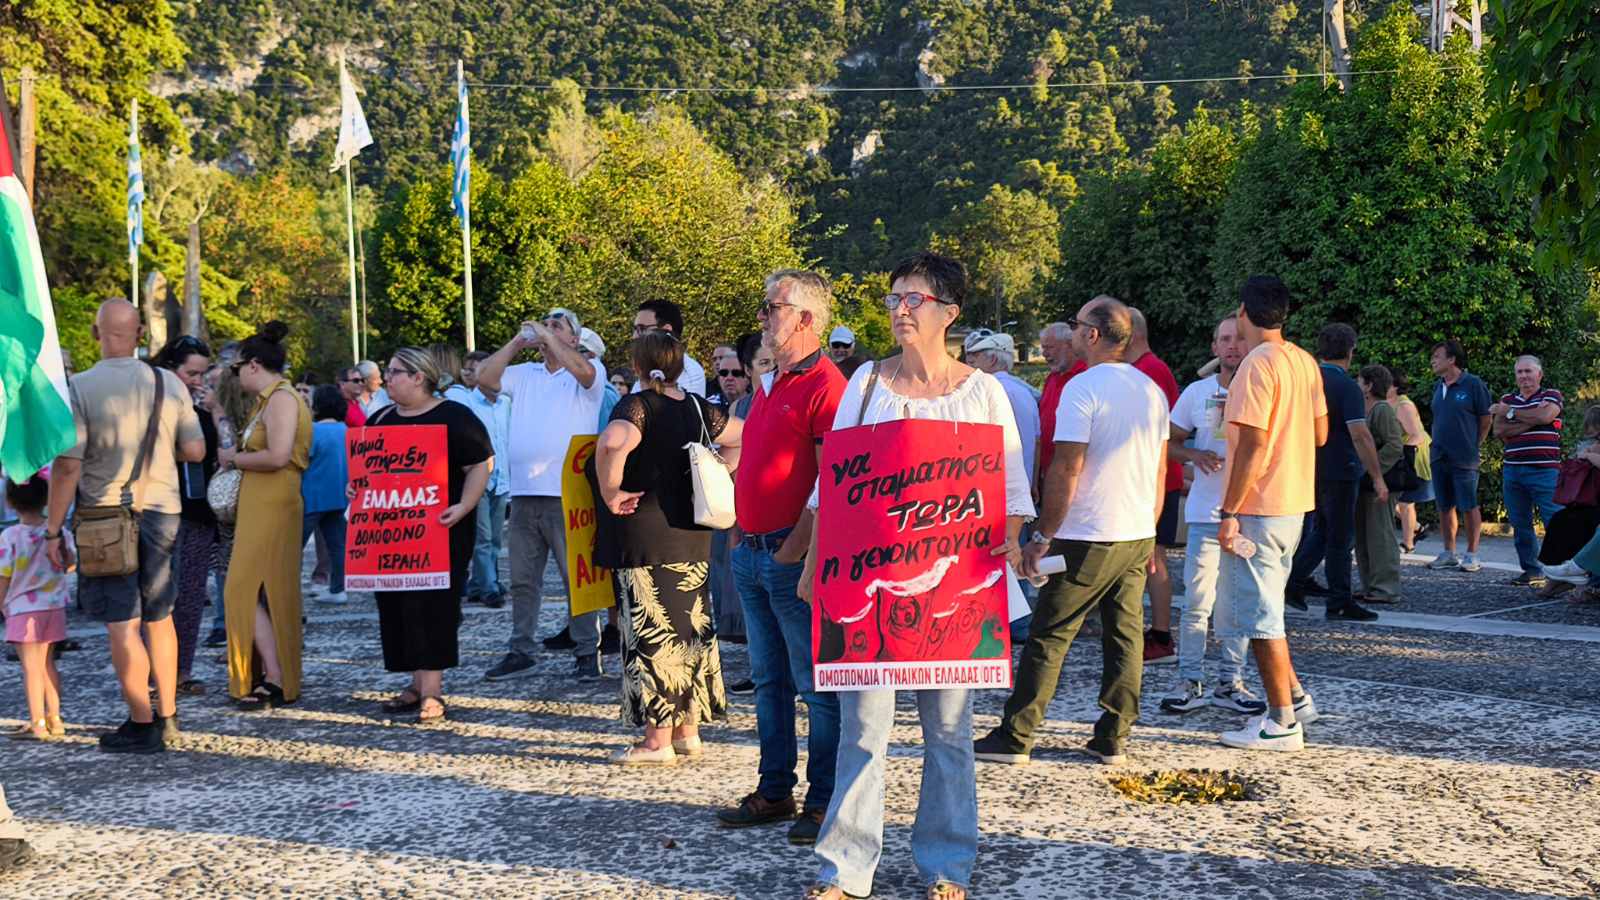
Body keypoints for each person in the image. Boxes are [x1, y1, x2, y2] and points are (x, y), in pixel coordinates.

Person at [805, 252, 1031, 900]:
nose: (900, 311)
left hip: (957, 591)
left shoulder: (983, 392)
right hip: (868, 590)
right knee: (863, 733)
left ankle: (946, 867)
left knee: (950, 735)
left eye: (914, 300)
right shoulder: (865, 384)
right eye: (894, 299)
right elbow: (832, 486)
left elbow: (1011, 488)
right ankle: (844, 871)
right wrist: (815, 567)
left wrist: (1014, 542)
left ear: (949, 313)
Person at [974, 294, 1166, 769]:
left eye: (1077, 325)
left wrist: (1042, 536)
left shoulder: (1083, 388)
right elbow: (1160, 469)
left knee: (1051, 634)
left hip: (1088, 531)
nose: (1074, 331)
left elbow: (1067, 467)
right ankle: (1113, 735)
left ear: (1093, 335)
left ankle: (1016, 735)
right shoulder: (1150, 389)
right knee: (1125, 634)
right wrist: (1151, 528)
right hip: (1135, 529)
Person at [717, 270, 846, 846]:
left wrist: (795, 551)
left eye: (773, 308)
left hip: (788, 557)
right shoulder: (771, 382)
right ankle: (775, 789)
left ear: (806, 319)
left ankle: (823, 801)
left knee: (815, 686)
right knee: (769, 681)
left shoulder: (826, 386)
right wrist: (741, 530)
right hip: (753, 550)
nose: (763, 317)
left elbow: (832, 482)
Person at [44, 299, 205, 753]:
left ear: (96, 334)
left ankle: (140, 722)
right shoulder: (169, 383)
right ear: (139, 336)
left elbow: (68, 466)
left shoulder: (79, 387)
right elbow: (195, 451)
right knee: (160, 616)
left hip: (105, 515)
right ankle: (168, 715)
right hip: (163, 511)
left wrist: (53, 531)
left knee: (122, 623)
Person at [592, 331, 743, 763]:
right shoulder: (697, 407)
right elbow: (743, 435)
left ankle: (656, 740)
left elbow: (612, 442)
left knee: (653, 632)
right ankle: (686, 731)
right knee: (690, 631)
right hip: (692, 534)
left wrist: (610, 490)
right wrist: (725, 470)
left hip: (645, 535)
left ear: (638, 367)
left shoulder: (636, 407)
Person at [1214, 276, 1326, 752]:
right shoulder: (1303, 361)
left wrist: (1230, 509)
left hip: (1259, 505)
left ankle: (1281, 721)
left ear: (1243, 311)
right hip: (1294, 500)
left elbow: (1254, 444)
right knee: (1270, 607)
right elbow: (1320, 433)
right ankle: (1295, 698)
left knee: (1260, 619)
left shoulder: (1256, 364)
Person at [474, 308, 607, 679]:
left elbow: (584, 373)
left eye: (556, 326)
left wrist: (547, 338)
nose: (546, 330)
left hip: (567, 493)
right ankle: (521, 649)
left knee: (575, 578)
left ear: (574, 338)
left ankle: (587, 650)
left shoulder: (588, 371)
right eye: (545, 324)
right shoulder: (526, 373)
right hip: (524, 494)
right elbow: (484, 378)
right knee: (522, 579)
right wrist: (518, 342)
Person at [366, 348, 493, 722]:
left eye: (394, 372)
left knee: (435, 608)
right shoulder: (381, 419)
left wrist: (465, 505)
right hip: (392, 537)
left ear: (418, 377)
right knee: (398, 608)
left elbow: (480, 465)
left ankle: (432, 692)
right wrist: (356, 489)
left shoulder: (455, 416)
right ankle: (415, 684)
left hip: (442, 531)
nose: (387, 379)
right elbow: (366, 471)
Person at [1158, 314, 1266, 717]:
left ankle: (1231, 682)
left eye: (1239, 338)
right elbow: (1168, 441)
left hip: (1250, 514)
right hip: (1206, 513)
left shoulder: (1261, 388)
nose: (1233, 345)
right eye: (1225, 339)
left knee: (1237, 604)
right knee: (1197, 602)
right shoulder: (1197, 392)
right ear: (1214, 347)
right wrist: (1192, 455)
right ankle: (1190, 680)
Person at [220, 321, 312, 711]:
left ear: (254, 365)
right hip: (262, 501)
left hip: (274, 500)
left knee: (244, 589)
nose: (235, 375)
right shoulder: (268, 400)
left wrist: (233, 459)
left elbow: (277, 456)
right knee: (255, 589)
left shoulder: (282, 399)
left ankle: (274, 675)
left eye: (236, 368)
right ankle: (268, 673)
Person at [1285, 324, 1386, 622]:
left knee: (1321, 531)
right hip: (1341, 468)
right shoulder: (1347, 387)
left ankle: (1294, 580)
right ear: (1350, 352)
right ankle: (1338, 600)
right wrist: (1377, 476)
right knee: (1340, 538)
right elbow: (1360, 434)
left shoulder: (1304, 381)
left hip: (1309, 466)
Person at [152, 335, 219, 696]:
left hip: (198, 512)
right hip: (157, 509)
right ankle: (153, 671)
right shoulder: (149, 405)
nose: (197, 380)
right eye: (191, 373)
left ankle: (181, 670)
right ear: (169, 370)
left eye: (202, 374)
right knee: (155, 595)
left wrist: (217, 411)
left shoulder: (203, 409)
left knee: (191, 594)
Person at [1125, 307, 1184, 664]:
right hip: (1145, 478)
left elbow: (1165, 432)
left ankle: (1161, 635)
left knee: (1153, 558)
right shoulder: (1141, 369)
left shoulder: (1152, 370)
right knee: (1146, 558)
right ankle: (1149, 632)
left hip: (1156, 479)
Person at [3, 475, 72, 741]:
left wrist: (1, 603)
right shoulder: (57, 533)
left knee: (30, 668)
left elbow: (4, 575)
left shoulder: (10, 536)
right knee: (47, 664)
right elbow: (70, 564)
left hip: (22, 608)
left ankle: (37, 723)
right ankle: (55, 718)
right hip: (53, 606)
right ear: (46, 500)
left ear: (10, 503)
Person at [1492, 355, 1564, 586]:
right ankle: (1532, 570)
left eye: (1528, 371)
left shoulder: (1551, 395)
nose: (1524, 376)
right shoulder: (1508, 398)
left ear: (1539, 374)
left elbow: (1546, 415)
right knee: (1520, 524)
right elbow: (1499, 430)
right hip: (1513, 471)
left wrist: (1511, 413)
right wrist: (1535, 419)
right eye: (1520, 372)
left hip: (1545, 470)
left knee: (1555, 522)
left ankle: (1562, 572)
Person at [1426, 339, 1492, 572]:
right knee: (1444, 505)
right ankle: (1449, 553)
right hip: (1439, 455)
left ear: (1452, 359)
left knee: (1468, 504)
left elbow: (1486, 418)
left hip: (1464, 457)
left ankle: (1472, 554)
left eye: (1437, 356)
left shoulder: (1473, 384)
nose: (1432, 361)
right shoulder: (1438, 386)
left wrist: (1474, 444)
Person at [579, 328, 624, 654]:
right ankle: (580, 624)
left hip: (600, 484)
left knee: (607, 556)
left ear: (592, 356)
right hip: (579, 484)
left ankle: (614, 624)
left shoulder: (605, 395)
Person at [460, 350, 511, 609]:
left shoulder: (506, 403)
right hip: (478, 478)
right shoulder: (468, 404)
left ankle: (480, 583)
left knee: (496, 538)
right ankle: (489, 587)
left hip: (501, 478)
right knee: (483, 536)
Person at [964, 330, 1040, 496]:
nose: (970, 362)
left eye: (976, 356)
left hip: (996, 491)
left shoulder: (985, 391)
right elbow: (1037, 442)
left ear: (992, 359)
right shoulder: (1026, 392)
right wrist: (1034, 484)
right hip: (1022, 489)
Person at [1354, 365, 1404, 604]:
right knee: (1366, 535)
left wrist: (1374, 471)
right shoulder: (1372, 409)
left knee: (1380, 535)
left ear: (1369, 385)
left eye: (1360, 381)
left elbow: (1394, 445)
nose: (1357, 385)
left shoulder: (1381, 410)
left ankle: (1386, 588)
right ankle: (1372, 585)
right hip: (1371, 482)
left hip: (1380, 483)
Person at [1541, 407, 1600, 601]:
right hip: (1590, 500)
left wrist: (1590, 456)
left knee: (1586, 523)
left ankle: (1584, 578)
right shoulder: (1591, 445)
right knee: (1562, 520)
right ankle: (1561, 575)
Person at [302, 386, 350, 604]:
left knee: (294, 548)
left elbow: (303, 461)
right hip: (339, 497)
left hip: (312, 498)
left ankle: (287, 593)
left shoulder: (312, 431)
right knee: (337, 546)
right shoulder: (346, 430)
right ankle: (338, 588)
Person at [1035, 321, 1083, 491]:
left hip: (1073, 476)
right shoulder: (1052, 378)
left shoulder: (1084, 377)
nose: (1044, 353)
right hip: (1048, 472)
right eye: (1043, 348)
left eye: (1049, 347)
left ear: (1069, 345)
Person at [1390, 372, 1434, 553]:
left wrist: (1402, 453)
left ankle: (1408, 544)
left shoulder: (1403, 405)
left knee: (1405, 501)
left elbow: (1416, 435)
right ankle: (1416, 527)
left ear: (1394, 386)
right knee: (1389, 499)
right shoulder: (1387, 402)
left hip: (1413, 454)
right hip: (1399, 452)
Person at [632, 299, 706, 395]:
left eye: (642, 329)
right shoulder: (646, 367)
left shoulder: (689, 373)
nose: (634, 336)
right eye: (635, 329)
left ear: (666, 330)